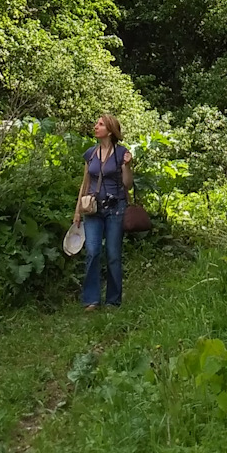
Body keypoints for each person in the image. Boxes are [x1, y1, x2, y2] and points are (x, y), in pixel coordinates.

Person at [75, 114, 133, 309]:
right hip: (92, 209)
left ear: (109, 131)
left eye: (100, 124)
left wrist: (126, 166)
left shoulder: (121, 153)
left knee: (113, 254)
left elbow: (128, 185)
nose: (95, 126)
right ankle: (91, 300)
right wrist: (77, 211)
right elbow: (85, 183)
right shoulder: (90, 153)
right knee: (92, 251)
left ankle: (113, 300)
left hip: (115, 209)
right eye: (96, 123)